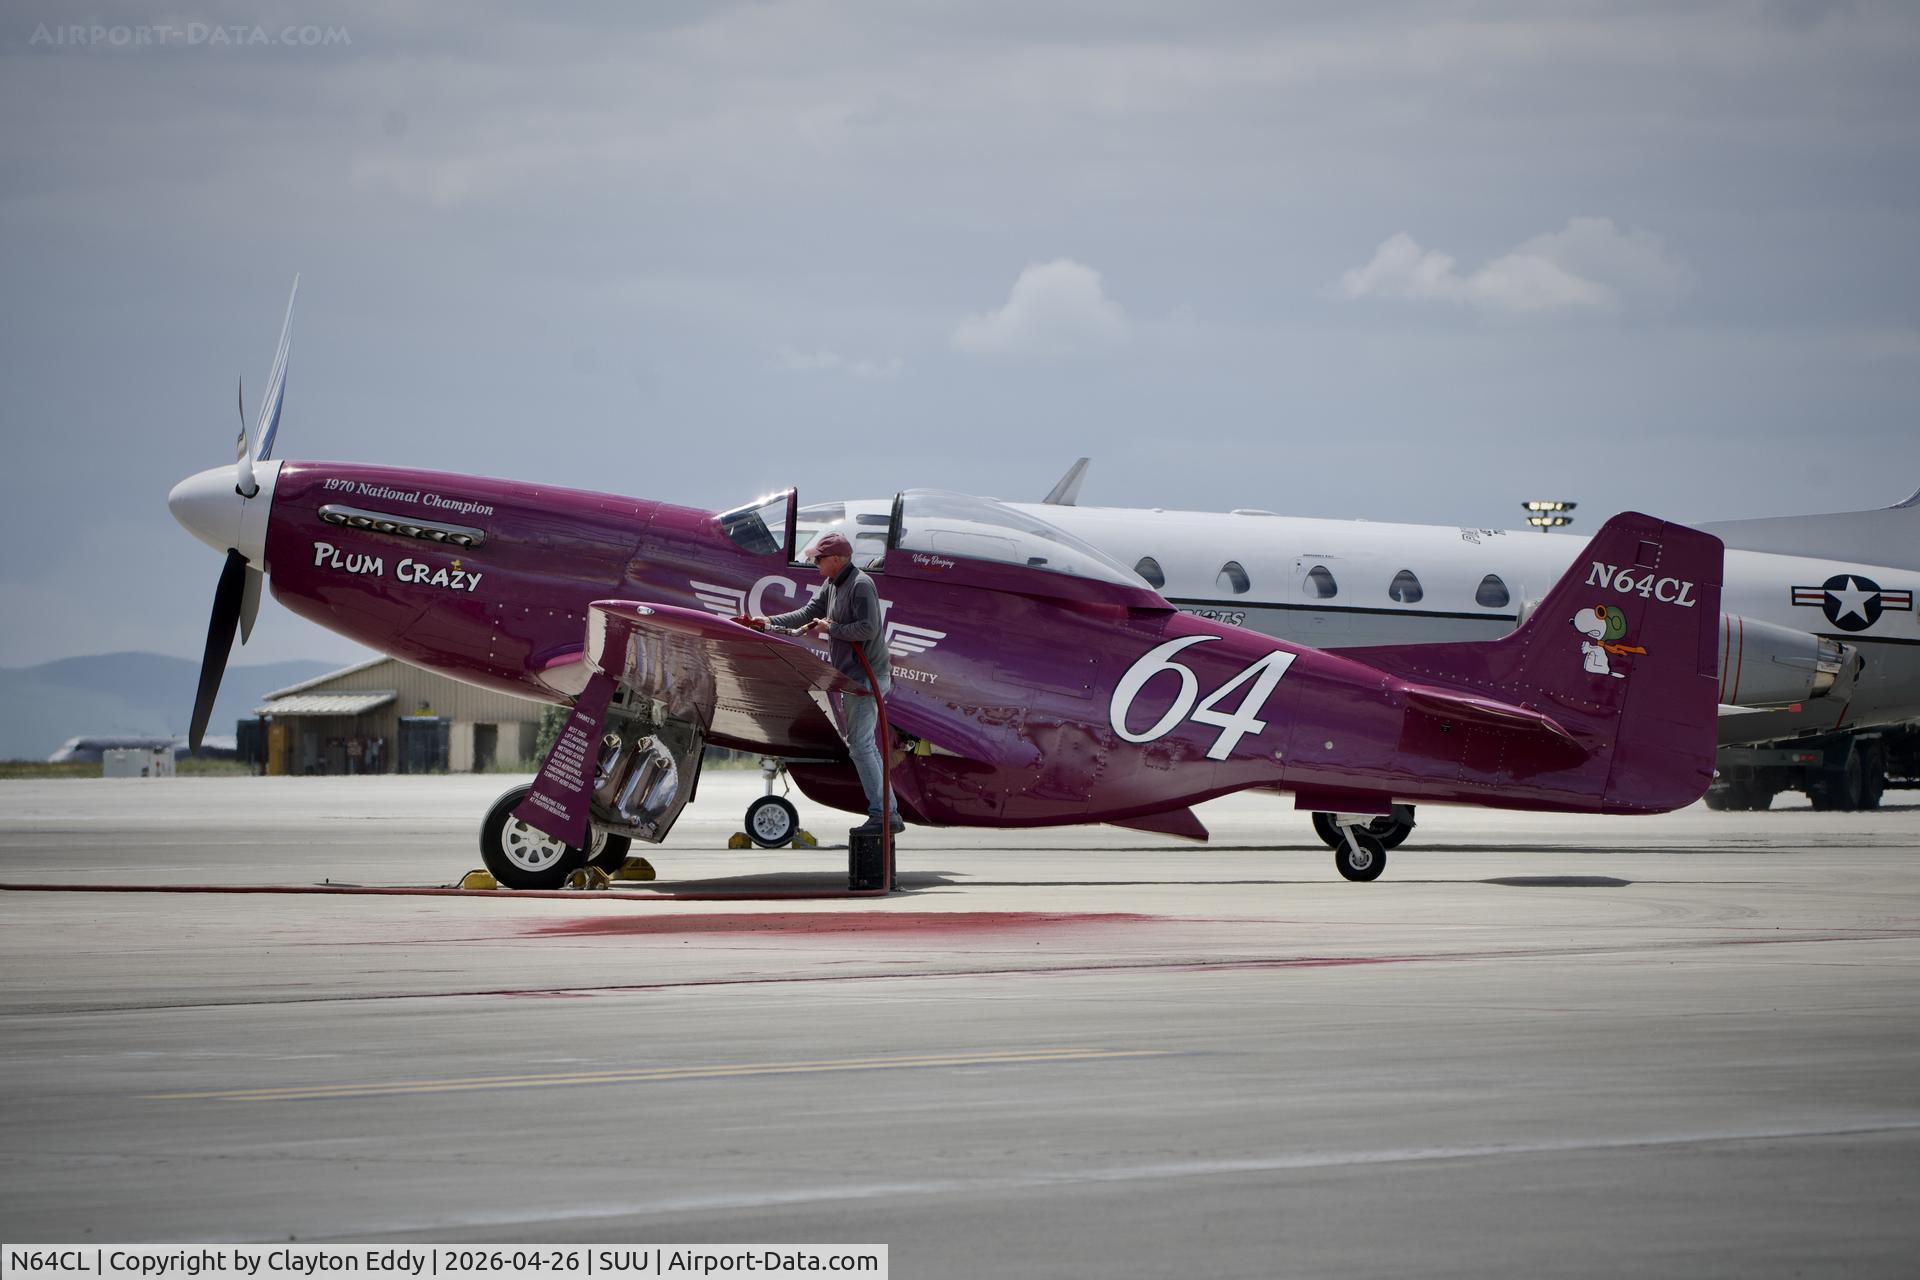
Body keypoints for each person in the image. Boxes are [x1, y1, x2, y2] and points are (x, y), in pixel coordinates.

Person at [736, 532, 901, 834]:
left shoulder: (861, 585)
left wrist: (832, 628)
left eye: (819, 558)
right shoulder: (832, 584)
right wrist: (766, 621)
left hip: (868, 678)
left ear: (836, 560)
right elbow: (808, 613)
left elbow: (867, 628)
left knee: (861, 746)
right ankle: (887, 812)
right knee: (863, 746)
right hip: (854, 676)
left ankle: (885, 815)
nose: (815, 563)